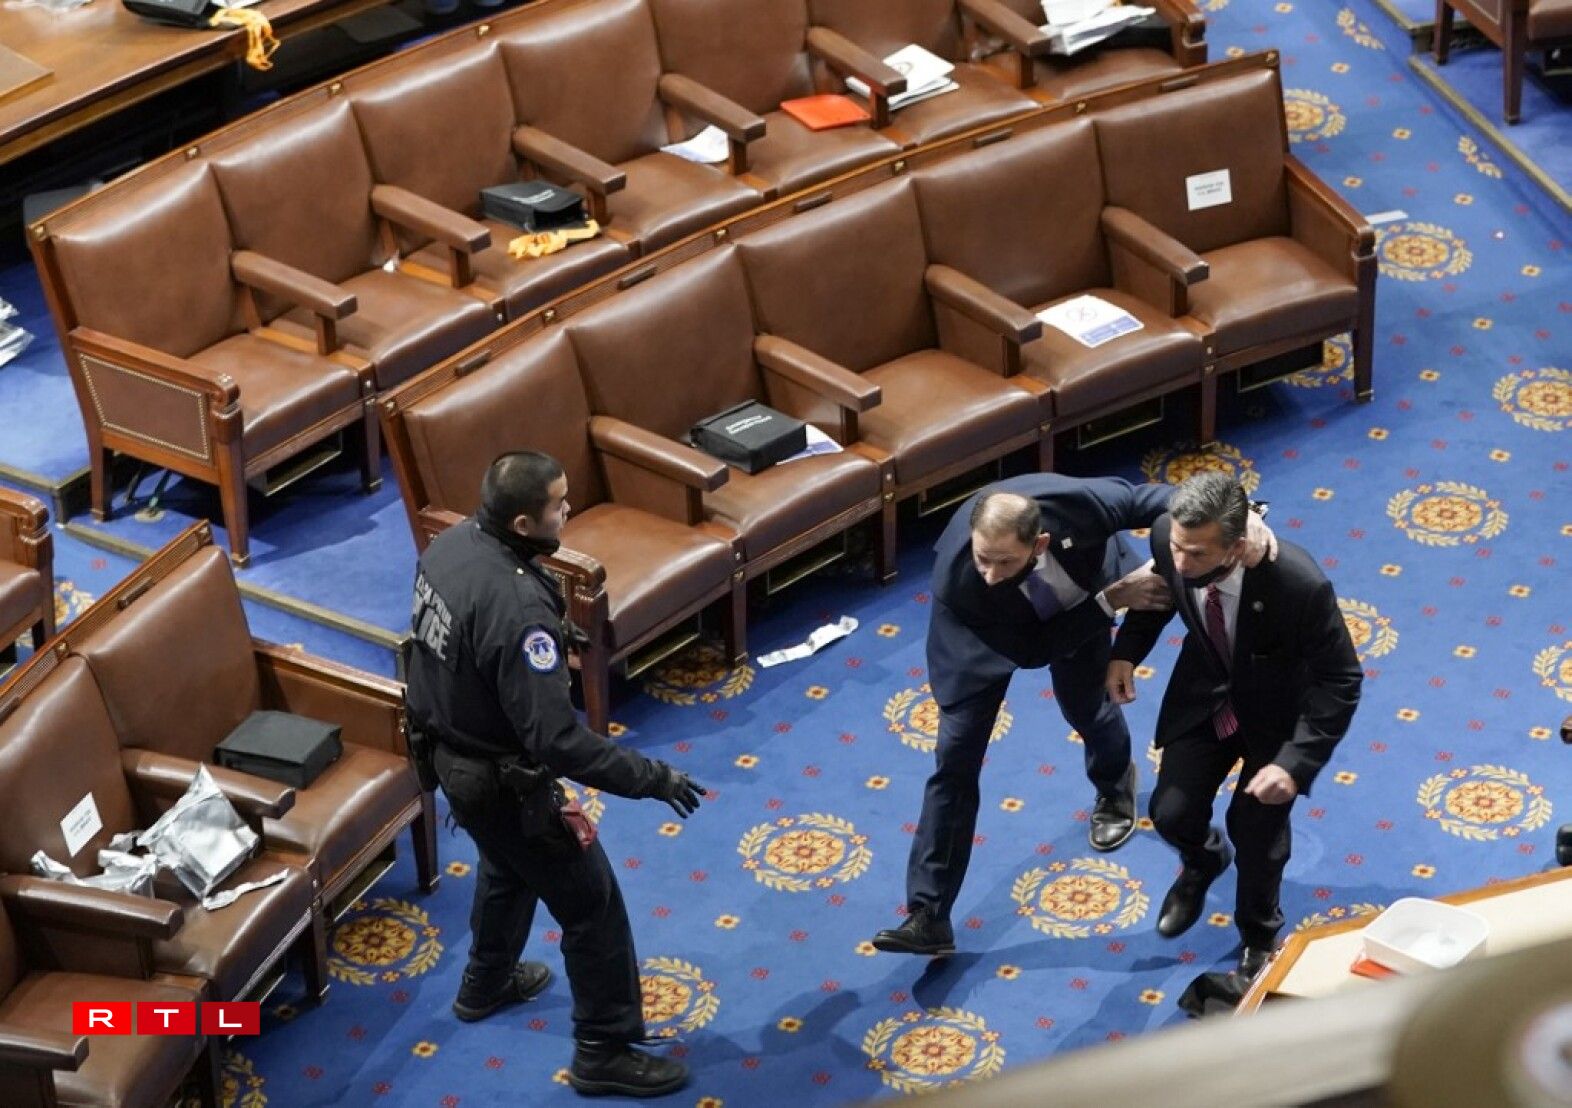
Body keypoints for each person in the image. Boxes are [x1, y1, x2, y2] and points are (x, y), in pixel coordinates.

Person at [872, 473, 1276, 957]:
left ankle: (1113, 786)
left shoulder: (1074, 505)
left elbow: (1153, 500)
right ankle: (929, 914)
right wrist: (1113, 600)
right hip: (981, 646)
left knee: (1087, 708)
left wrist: (1241, 515)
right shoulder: (965, 579)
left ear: (1039, 541)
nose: (991, 572)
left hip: (1076, 603)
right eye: (984, 557)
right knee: (953, 766)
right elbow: (1031, 650)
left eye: (1004, 560)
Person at [406, 450, 707, 1098]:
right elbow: (559, 740)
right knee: (592, 906)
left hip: (450, 758)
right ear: (521, 523)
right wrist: (650, 778)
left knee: (508, 865)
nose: (568, 510)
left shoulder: (450, 544)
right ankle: (604, 1050)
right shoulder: (518, 612)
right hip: (504, 780)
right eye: (558, 504)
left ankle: (485, 983)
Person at [1107, 472, 1361, 980]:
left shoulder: (1298, 584)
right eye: (1177, 547)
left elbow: (1341, 679)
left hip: (1277, 719)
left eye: (1197, 554)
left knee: (1257, 833)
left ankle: (1259, 935)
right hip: (1205, 698)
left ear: (1237, 546)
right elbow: (1157, 595)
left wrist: (1294, 763)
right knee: (1171, 812)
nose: (1181, 562)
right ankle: (1203, 860)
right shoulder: (1172, 538)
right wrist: (1126, 654)